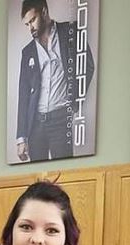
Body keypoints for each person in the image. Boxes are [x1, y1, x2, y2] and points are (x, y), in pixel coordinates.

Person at [16, 0, 94, 162]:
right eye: (27, 24)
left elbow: (88, 65)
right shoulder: (27, 51)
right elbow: (23, 94)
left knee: (63, 170)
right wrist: (21, 137)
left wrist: (75, 101)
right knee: (37, 174)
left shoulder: (71, 31)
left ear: (44, 12)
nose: (30, 28)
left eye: (33, 20)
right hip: (36, 124)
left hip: (60, 119)